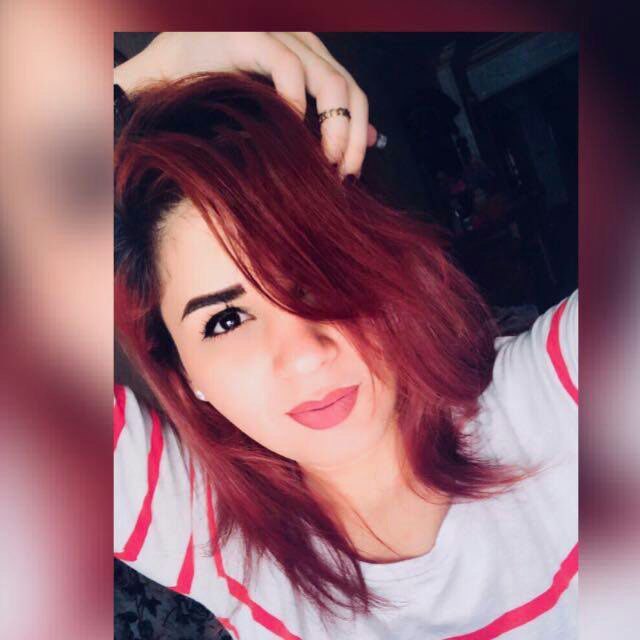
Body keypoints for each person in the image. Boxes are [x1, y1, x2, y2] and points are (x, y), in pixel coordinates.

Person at [115, 34, 578, 640]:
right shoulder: (207, 534)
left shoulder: (559, 402)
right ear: (184, 372)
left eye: (315, 275)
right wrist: (147, 77)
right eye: (225, 320)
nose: (305, 355)